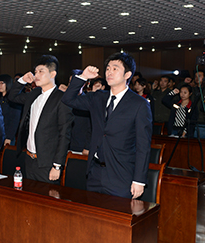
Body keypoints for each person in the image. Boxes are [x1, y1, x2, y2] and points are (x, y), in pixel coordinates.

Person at [62, 52, 152, 198]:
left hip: (121, 174)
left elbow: (143, 145)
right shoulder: (98, 97)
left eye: (115, 69)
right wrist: (83, 77)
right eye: (108, 68)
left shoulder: (139, 104)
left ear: (127, 74)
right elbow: (68, 99)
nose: (109, 72)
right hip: (95, 172)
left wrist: (139, 180)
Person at [9, 55, 73, 183]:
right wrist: (22, 80)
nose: (36, 75)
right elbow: (12, 97)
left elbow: (64, 134)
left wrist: (57, 165)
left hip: (47, 163)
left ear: (53, 74)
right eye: (35, 72)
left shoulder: (62, 99)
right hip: (29, 158)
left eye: (41, 71)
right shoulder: (34, 94)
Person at [0, 74, 22, 146]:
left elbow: (15, 120)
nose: (0, 86)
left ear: (8, 84)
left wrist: (9, 137)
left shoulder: (13, 99)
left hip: (7, 133)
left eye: (2, 83)